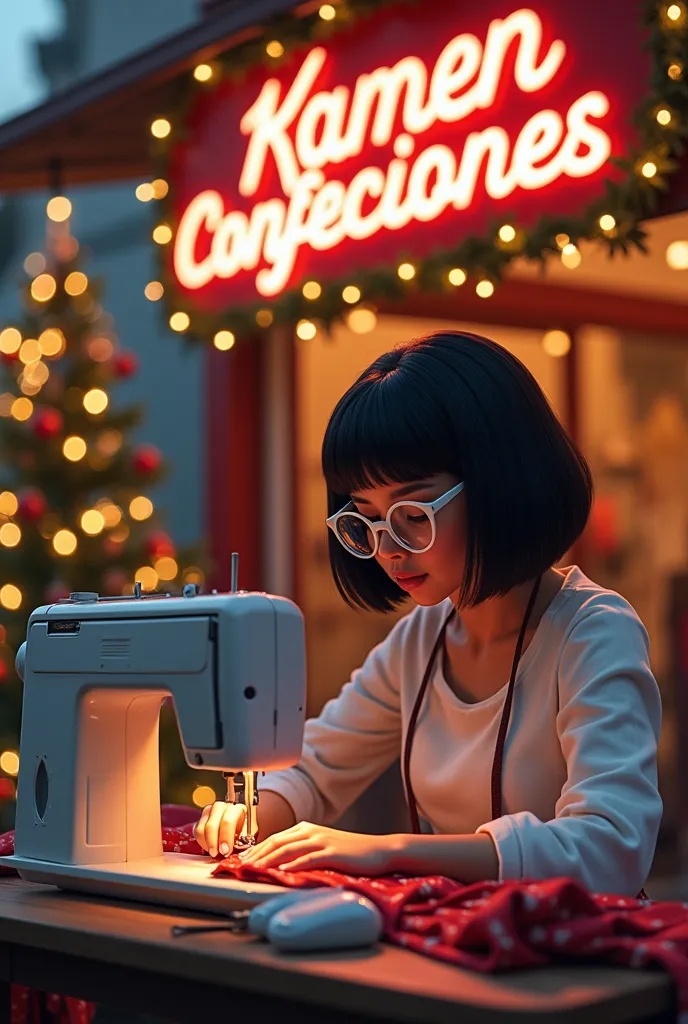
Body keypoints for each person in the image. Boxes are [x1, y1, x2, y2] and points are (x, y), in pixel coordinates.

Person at [195, 330, 662, 896]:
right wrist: (253, 811)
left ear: (499, 486)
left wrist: (389, 851)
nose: (388, 548)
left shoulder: (592, 633)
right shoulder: (420, 640)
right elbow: (316, 766)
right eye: (364, 519)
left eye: (413, 513)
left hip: (579, 966)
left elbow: (610, 848)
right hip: (464, 946)